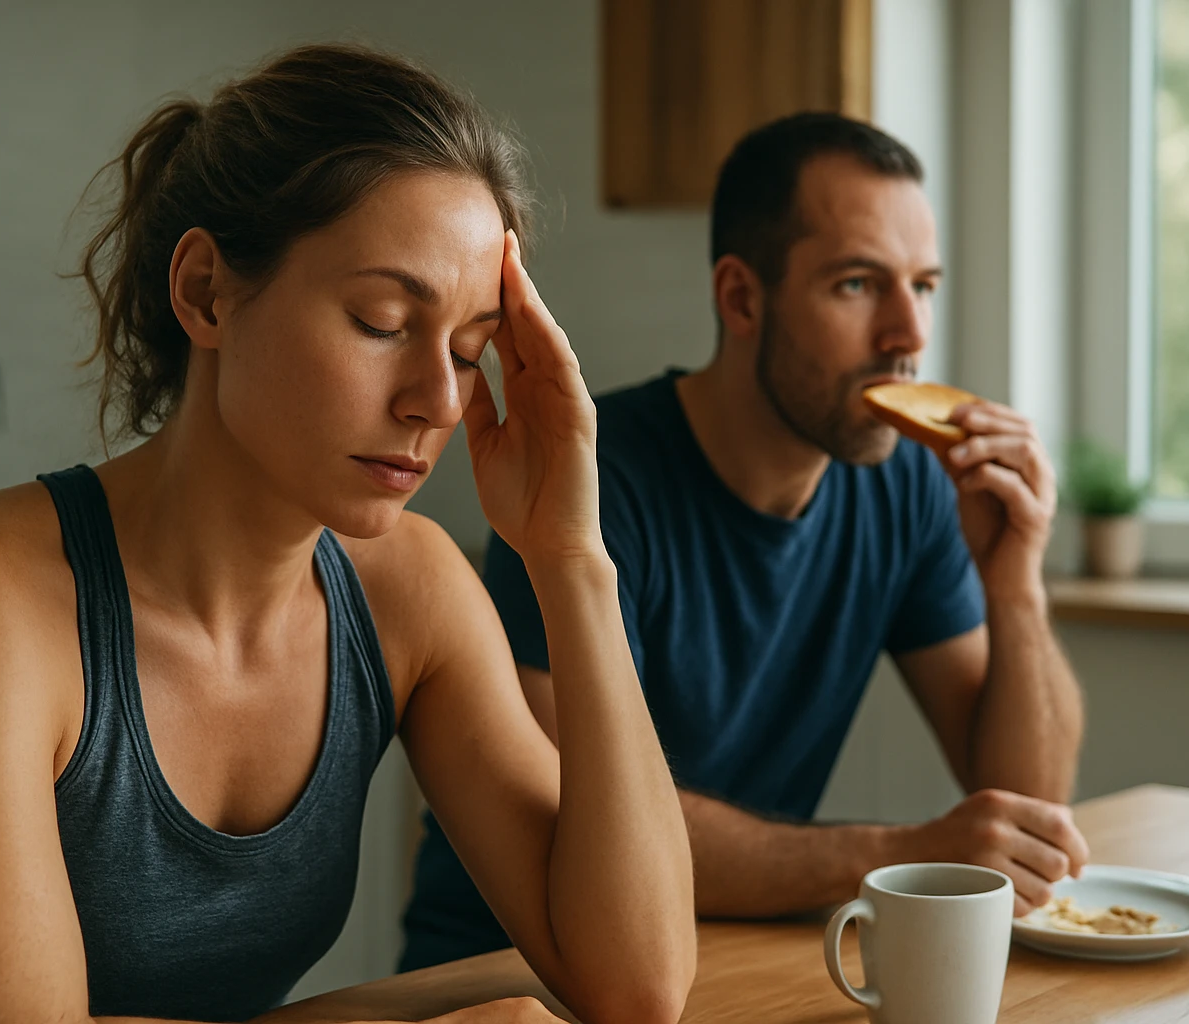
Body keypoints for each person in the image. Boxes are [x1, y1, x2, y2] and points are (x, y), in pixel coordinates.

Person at [0, 45, 696, 1024]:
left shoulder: (409, 590)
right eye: (382, 321)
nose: (439, 401)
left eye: (469, 349)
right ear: (206, 291)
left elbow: (638, 983)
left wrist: (572, 560)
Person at [401, 113, 1088, 971]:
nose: (909, 335)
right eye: (858, 285)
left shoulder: (908, 487)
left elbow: (1027, 811)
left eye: (924, 286)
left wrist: (1015, 580)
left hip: (732, 957)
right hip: (508, 975)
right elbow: (575, 812)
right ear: (741, 299)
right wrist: (905, 853)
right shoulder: (580, 484)